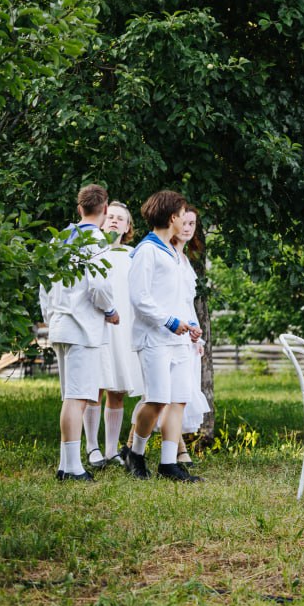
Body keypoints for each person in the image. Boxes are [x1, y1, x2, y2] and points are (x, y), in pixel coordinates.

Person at [39, 184, 118, 481]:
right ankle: (72, 468)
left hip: (60, 323)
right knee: (78, 397)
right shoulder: (96, 239)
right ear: (105, 208)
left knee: (72, 396)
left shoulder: (60, 239)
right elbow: (98, 284)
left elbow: (43, 285)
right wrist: (110, 311)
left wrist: (51, 316)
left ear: (79, 208)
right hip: (82, 326)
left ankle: (66, 463)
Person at [123, 190, 200, 482]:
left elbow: (182, 298)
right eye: (182, 214)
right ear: (172, 217)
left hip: (179, 339)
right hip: (154, 338)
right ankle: (135, 453)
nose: (185, 219)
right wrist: (170, 321)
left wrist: (192, 326)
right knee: (156, 399)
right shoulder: (147, 250)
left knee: (179, 399)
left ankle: (169, 464)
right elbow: (139, 297)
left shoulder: (174, 253)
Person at [86, 201, 143, 469]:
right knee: (94, 388)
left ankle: (111, 450)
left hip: (123, 330)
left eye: (121, 218)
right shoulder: (93, 250)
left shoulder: (133, 255)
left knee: (116, 390)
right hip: (97, 328)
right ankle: (92, 448)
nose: (114, 221)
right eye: (110, 216)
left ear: (128, 226)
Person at [173, 206, 208, 468]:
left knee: (180, 393)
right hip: (170, 329)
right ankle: (132, 446)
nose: (187, 228)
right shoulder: (167, 256)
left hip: (187, 331)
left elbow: (188, 301)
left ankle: (177, 449)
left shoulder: (185, 259)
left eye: (192, 224)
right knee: (165, 394)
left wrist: (197, 334)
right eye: (184, 222)